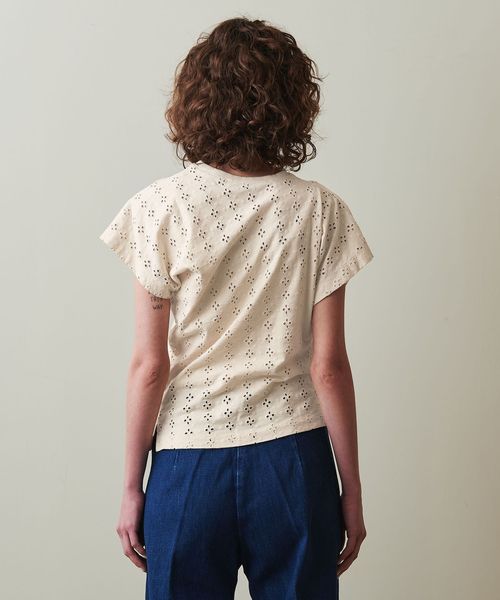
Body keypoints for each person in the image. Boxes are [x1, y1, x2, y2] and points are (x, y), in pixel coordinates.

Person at [99, 16, 374, 600]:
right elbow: (329, 367)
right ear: (293, 103)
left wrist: (130, 487)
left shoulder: (159, 208)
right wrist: (350, 490)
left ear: (197, 101)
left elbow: (149, 365)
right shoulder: (320, 210)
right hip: (294, 458)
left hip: (187, 463)